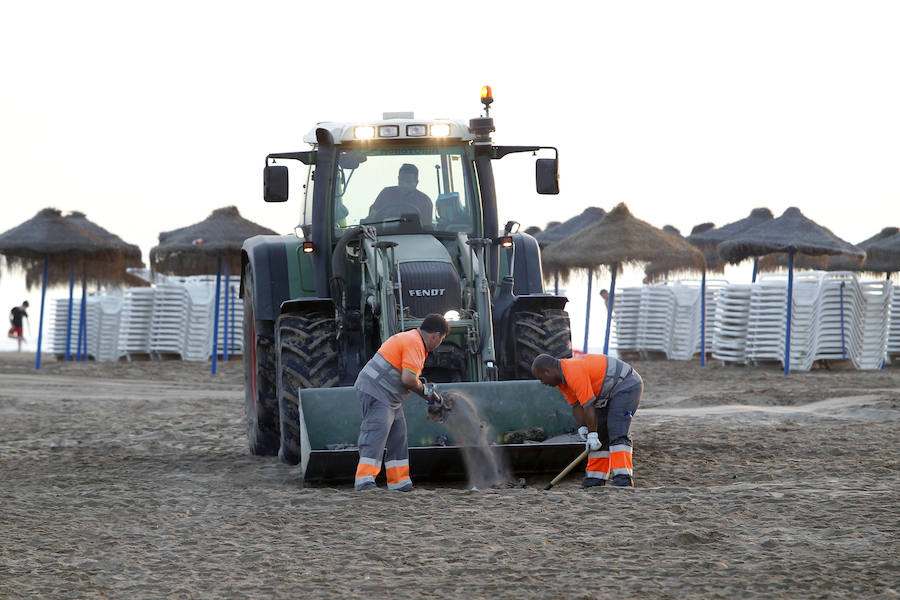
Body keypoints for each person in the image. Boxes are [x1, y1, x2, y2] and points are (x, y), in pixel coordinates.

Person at [353, 313, 449, 491]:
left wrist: (425, 392)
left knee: (398, 437)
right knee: (376, 432)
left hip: (390, 397)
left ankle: (400, 483)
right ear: (436, 335)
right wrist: (428, 395)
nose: (439, 343)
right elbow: (409, 380)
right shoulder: (415, 343)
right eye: (441, 339)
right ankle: (364, 481)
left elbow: (408, 378)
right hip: (377, 390)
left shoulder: (413, 340)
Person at [532, 352, 643, 488]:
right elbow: (577, 406)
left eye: (541, 378)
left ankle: (623, 478)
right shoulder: (562, 383)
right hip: (607, 393)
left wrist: (592, 434)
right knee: (600, 432)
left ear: (548, 371)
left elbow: (588, 404)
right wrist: (584, 427)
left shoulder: (573, 371)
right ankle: (595, 478)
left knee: (616, 429)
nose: (542, 382)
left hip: (626, 384)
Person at [366, 163, 433, 224]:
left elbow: (427, 227)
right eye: (402, 180)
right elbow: (372, 217)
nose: (404, 185)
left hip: (416, 236)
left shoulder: (425, 201)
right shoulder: (386, 194)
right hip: (385, 235)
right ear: (398, 179)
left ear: (417, 182)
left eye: (408, 181)